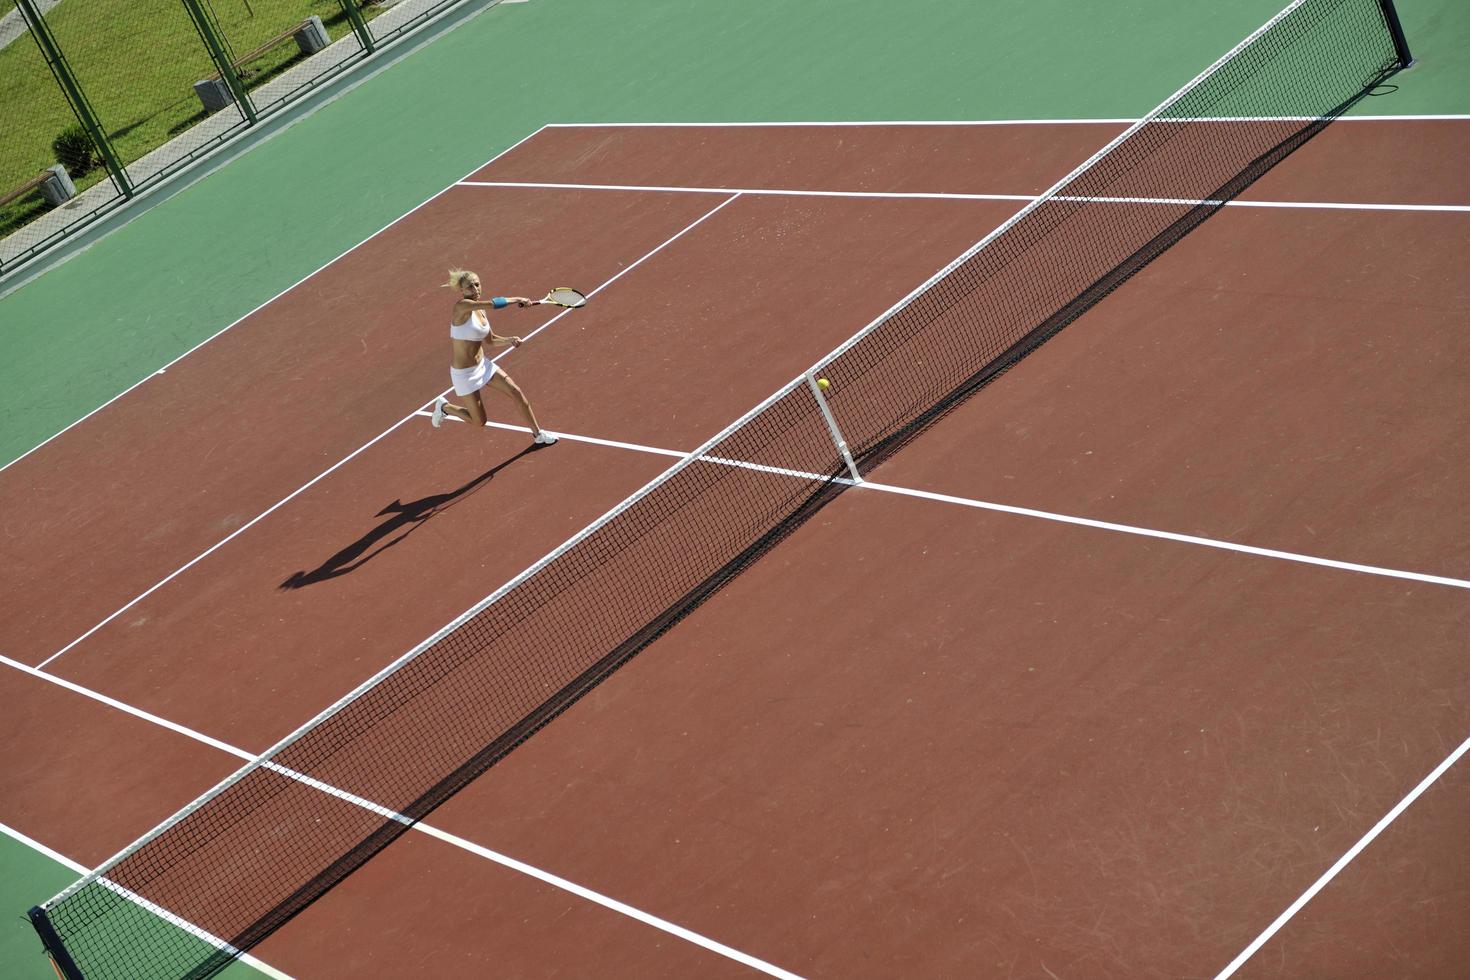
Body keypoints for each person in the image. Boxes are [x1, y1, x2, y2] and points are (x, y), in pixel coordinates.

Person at [431, 267, 557, 445]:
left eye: (477, 285)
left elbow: (490, 340)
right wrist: (518, 299)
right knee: (479, 421)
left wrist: (509, 340)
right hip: (464, 374)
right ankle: (445, 407)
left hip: (483, 366)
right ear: (461, 291)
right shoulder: (462, 306)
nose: (475, 290)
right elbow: (493, 303)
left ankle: (538, 435)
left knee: (516, 392)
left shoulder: (480, 311)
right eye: (470, 287)